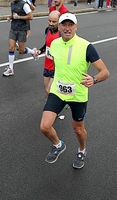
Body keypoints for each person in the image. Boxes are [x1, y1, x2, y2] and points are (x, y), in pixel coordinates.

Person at [40, 13, 110, 169]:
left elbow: (105, 72)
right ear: (59, 27)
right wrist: (50, 82)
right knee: (44, 127)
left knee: (78, 130)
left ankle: (82, 150)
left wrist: (94, 79)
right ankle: (58, 145)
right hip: (58, 92)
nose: (67, 28)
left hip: (78, 95)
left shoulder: (86, 47)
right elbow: (57, 66)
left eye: (70, 25)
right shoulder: (55, 44)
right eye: (63, 25)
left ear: (76, 27)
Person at [4, 0, 37, 77]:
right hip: (13, 29)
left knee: (22, 50)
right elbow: (13, 14)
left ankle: (33, 52)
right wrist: (10, 17)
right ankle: (11, 68)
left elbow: (30, 16)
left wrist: (19, 17)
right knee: (11, 48)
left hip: (22, 29)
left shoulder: (24, 5)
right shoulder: (12, 4)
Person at [34, 10, 61, 98]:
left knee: (49, 90)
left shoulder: (61, 34)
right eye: (49, 21)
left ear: (59, 22)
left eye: (54, 22)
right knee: (47, 90)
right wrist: (40, 51)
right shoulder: (47, 30)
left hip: (57, 67)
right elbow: (47, 45)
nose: (51, 23)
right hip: (47, 66)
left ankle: (52, 110)